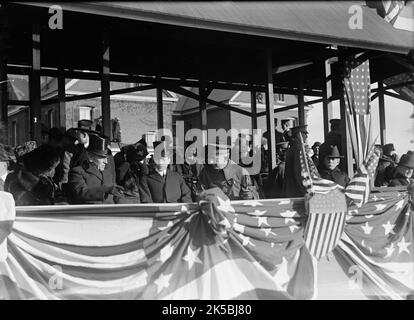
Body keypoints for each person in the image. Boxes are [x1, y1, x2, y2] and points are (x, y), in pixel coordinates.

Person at [67, 134, 124, 204]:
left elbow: (117, 195)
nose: (106, 162)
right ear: (90, 157)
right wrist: (106, 190)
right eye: (102, 158)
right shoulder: (78, 172)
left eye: (107, 158)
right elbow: (81, 192)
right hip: (91, 213)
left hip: (110, 213)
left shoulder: (107, 174)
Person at [282, 125, 310, 198]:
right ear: (299, 135)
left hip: (291, 191)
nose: (306, 137)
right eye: (305, 134)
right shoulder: (298, 150)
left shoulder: (292, 149)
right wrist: (306, 190)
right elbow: (300, 172)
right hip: (298, 193)